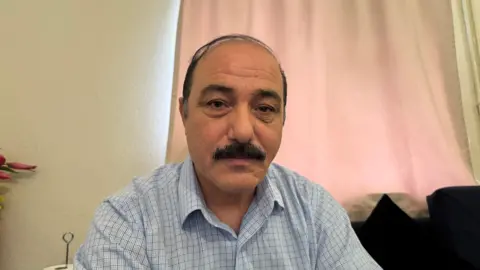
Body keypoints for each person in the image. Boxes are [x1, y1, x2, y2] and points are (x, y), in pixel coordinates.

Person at [74, 34, 381, 269]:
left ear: (283, 119)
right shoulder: (128, 220)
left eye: (264, 108)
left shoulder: (315, 211)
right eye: (218, 104)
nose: (244, 131)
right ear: (184, 114)